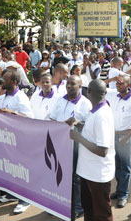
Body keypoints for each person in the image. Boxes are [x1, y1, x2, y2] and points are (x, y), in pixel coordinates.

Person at [69, 79, 115, 221]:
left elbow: (103, 151)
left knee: (102, 213)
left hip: (98, 174)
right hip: (88, 171)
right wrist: (80, 125)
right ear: (104, 93)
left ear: (88, 92)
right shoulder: (95, 111)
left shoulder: (102, 115)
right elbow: (92, 133)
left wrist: (79, 138)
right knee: (89, 209)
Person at [0, 70, 34, 214]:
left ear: (14, 82)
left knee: (20, 170)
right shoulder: (5, 96)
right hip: (6, 139)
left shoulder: (21, 98)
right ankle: (12, 195)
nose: (2, 81)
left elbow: (29, 117)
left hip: (19, 140)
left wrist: (13, 113)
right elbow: (3, 110)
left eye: (6, 79)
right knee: (10, 169)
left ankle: (25, 200)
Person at [50, 75, 92, 218]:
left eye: (73, 84)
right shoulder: (60, 100)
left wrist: (77, 123)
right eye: (68, 84)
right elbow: (52, 119)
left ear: (80, 86)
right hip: (60, 143)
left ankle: (78, 206)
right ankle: (61, 203)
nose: (69, 86)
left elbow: (91, 126)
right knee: (59, 173)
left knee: (76, 177)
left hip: (76, 145)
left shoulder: (86, 104)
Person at [105, 75, 131, 208]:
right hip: (112, 136)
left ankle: (123, 194)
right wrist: (111, 80)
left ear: (128, 85)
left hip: (125, 137)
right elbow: (99, 85)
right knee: (116, 165)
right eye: (117, 83)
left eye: (121, 83)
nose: (118, 85)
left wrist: (126, 138)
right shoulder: (113, 95)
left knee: (125, 167)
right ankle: (119, 190)